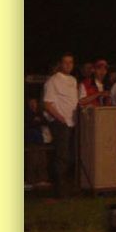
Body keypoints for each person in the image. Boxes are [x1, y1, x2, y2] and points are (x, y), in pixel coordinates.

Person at [42, 53, 79, 197]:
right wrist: (60, 118)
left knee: (71, 156)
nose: (68, 65)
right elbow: (47, 103)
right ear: (60, 64)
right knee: (62, 156)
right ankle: (59, 190)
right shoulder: (53, 81)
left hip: (73, 122)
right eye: (66, 62)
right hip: (61, 123)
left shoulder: (73, 80)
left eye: (71, 62)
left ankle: (68, 187)